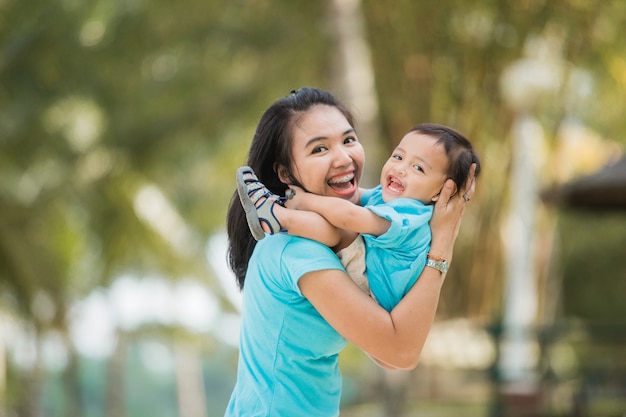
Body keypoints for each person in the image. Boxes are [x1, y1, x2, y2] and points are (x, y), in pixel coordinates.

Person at [225, 87, 476, 417]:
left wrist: (441, 196)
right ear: (285, 175)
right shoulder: (296, 250)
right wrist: (441, 245)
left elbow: (386, 356)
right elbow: (400, 352)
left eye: (348, 140)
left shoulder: (328, 238)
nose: (343, 158)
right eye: (319, 149)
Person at [236, 123, 481, 311]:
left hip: (374, 293)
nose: (400, 168)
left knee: (341, 232)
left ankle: (278, 216)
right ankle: (278, 211)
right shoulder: (396, 200)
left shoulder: (409, 218)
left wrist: (302, 199)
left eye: (418, 168)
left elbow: (349, 216)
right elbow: (360, 197)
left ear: (440, 192)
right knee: (341, 226)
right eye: (398, 157)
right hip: (372, 277)